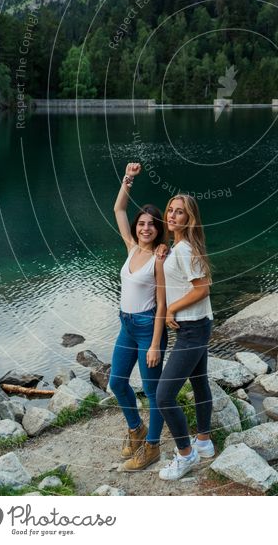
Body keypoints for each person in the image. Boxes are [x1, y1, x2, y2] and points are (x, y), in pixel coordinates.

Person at [110, 162, 167, 471]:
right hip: (126, 326)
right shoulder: (131, 248)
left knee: (152, 392)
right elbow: (119, 209)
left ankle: (152, 447)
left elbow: (161, 305)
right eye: (141, 223)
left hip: (148, 328)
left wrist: (156, 344)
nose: (145, 228)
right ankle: (136, 429)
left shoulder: (160, 258)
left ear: (158, 229)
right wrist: (128, 180)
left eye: (151, 224)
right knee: (117, 383)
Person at [155, 194, 214, 481]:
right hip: (199, 325)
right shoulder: (180, 247)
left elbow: (202, 288)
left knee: (164, 396)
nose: (172, 215)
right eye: (170, 210)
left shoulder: (185, 249)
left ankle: (185, 454)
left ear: (189, 219)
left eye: (180, 212)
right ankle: (203, 441)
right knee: (199, 382)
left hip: (192, 329)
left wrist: (171, 310)